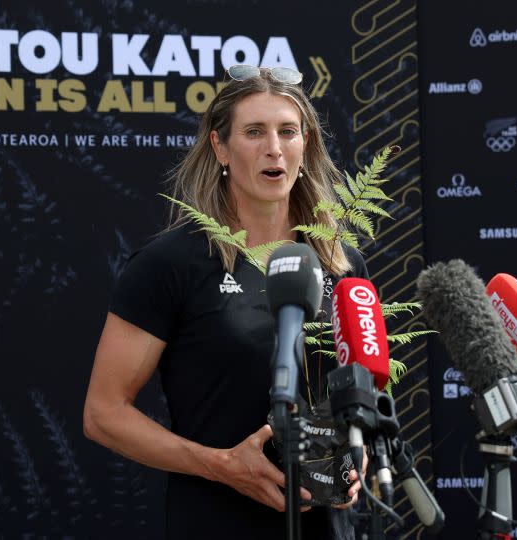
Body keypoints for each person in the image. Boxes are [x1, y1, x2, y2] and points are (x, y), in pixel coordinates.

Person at [83, 65, 370, 540]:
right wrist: (222, 466)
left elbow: (360, 393)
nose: (273, 148)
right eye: (254, 132)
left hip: (328, 526)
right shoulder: (171, 263)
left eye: (288, 132)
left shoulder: (343, 264)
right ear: (220, 147)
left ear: (306, 146)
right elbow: (103, 414)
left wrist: (354, 458)